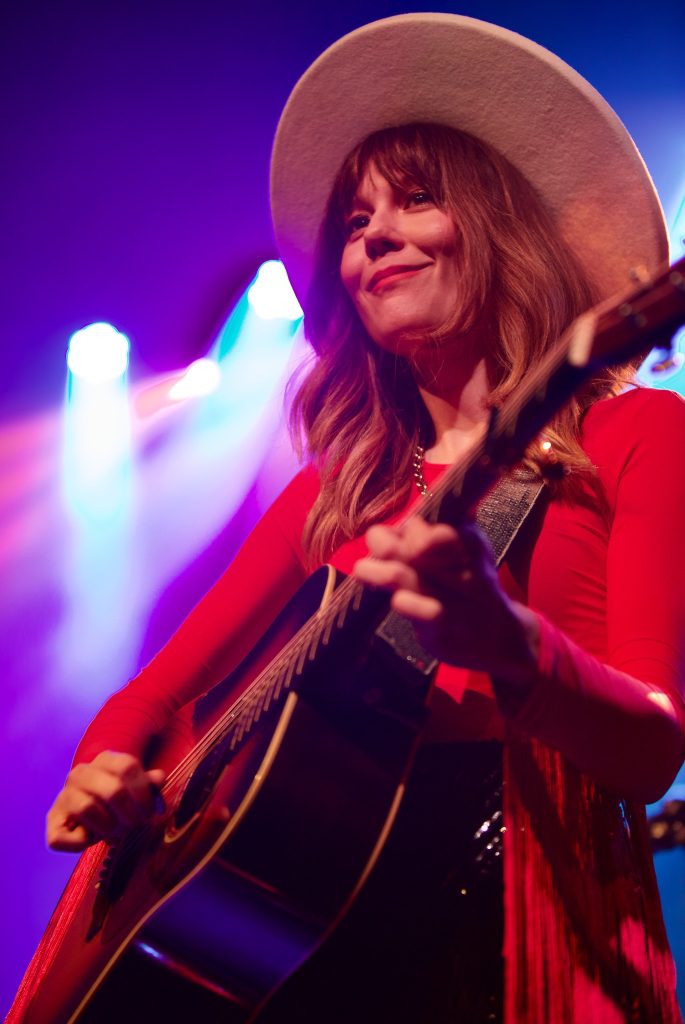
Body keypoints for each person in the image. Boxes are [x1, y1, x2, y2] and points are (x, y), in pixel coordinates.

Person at [21, 13, 685, 1024]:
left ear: (499, 229)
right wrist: (102, 774)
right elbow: (150, 700)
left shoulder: (636, 433)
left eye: (415, 199)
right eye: (354, 219)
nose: (370, 234)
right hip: (307, 943)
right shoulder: (339, 489)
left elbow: (650, 754)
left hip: (520, 917)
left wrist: (511, 646)